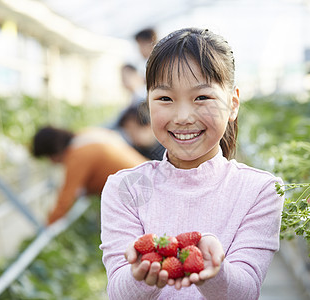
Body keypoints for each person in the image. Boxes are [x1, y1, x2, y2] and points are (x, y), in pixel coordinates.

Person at [100, 28, 284, 299]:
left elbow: (246, 290)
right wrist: (140, 274)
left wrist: (216, 271)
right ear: (147, 104)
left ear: (232, 104)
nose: (183, 116)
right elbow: (118, 291)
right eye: (165, 98)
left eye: (202, 97)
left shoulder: (260, 190)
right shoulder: (125, 189)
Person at [31, 126, 148, 225]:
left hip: (140, 194)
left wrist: (46, 227)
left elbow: (65, 200)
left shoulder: (77, 157)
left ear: (53, 151)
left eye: (48, 157)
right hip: (146, 178)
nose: (52, 162)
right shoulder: (85, 137)